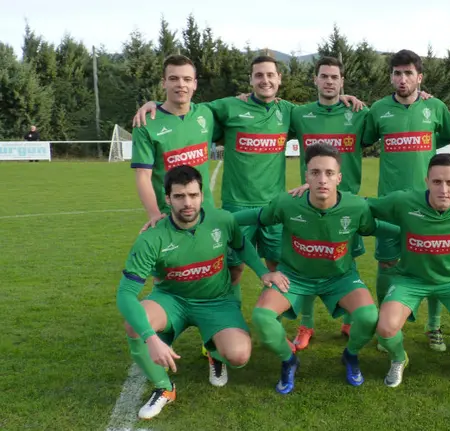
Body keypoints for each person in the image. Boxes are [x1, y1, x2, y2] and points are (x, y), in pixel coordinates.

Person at [132, 56, 364, 290]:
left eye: (270, 75)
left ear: (279, 79)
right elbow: (178, 107)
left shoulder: (288, 111)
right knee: (232, 268)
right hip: (237, 205)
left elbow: (321, 121)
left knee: (279, 267)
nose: (265, 80)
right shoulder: (225, 108)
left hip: (275, 206)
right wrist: (151, 103)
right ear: (250, 80)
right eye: (259, 75)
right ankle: (224, 316)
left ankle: (271, 320)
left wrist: (338, 99)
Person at [116, 165, 288, 419]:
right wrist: (150, 337)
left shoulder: (223, 221)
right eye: (179, 196)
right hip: (171, 299)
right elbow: (126, 294)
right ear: (167, 199)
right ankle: (165, 388)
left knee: (239, 355)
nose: (188, 203)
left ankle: (213, 352)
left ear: (202, 195)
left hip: (216, 301)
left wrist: (264, 272)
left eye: (193, 195)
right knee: (134, 325)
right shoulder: (151, 238)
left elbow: (243, 247)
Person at [238, 144, 390, 393]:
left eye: (329, 173)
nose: (322, 179)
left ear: (339, 178)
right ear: (306, 176)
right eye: (315, 172)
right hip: (294, 277)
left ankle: (350, 355)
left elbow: (377, 228)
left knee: (368, 317)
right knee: (262, 317)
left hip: (340, 278)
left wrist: (415, 232)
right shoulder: (287, 203)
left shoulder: (356, 207)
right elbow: (256, 216)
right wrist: (215, 220)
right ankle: (289, 360)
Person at [367, 153, 450, 387]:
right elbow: (363, 205)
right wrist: (319, 191)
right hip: (411, 279)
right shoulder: (404, 201)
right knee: (385, 329)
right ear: (427, 181)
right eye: (437, 182)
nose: (444, 189)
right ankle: (399, 359)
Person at [362, 49, 450, 352]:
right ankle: (387, 324)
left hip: (429, 204)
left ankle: (434, 326)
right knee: (388, 262)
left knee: (432, 264)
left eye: (408, 73)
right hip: (390, 204)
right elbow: (361, 139)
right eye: (396, 73)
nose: (402, 79)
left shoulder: (435, 107)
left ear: (420, 77)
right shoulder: (378, 110)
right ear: (391, 76)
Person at [130, 54, 224, 360]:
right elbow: (142, 175)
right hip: (170, 219)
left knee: (216, 275)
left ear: (195, 84)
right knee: (168, 278)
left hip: (207, 216)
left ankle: (214, 343)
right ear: (163, 83)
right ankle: (163, 338)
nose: (180, 85)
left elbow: (245, 104)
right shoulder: (148, 122)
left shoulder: (207, 114)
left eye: (186, 79)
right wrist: (155, 215)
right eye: (173, 79)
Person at [284, 56, 370, 349]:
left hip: (348, 205)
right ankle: (306, 326)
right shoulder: (299, 114)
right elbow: (267, 109)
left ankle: (348, 319)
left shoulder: (359, 113)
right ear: (316, 80)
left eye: (335, 77)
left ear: (342, 82)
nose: (329, 81)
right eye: (324, 76)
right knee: (310, 263)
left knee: (347, 261)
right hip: (311, 203)